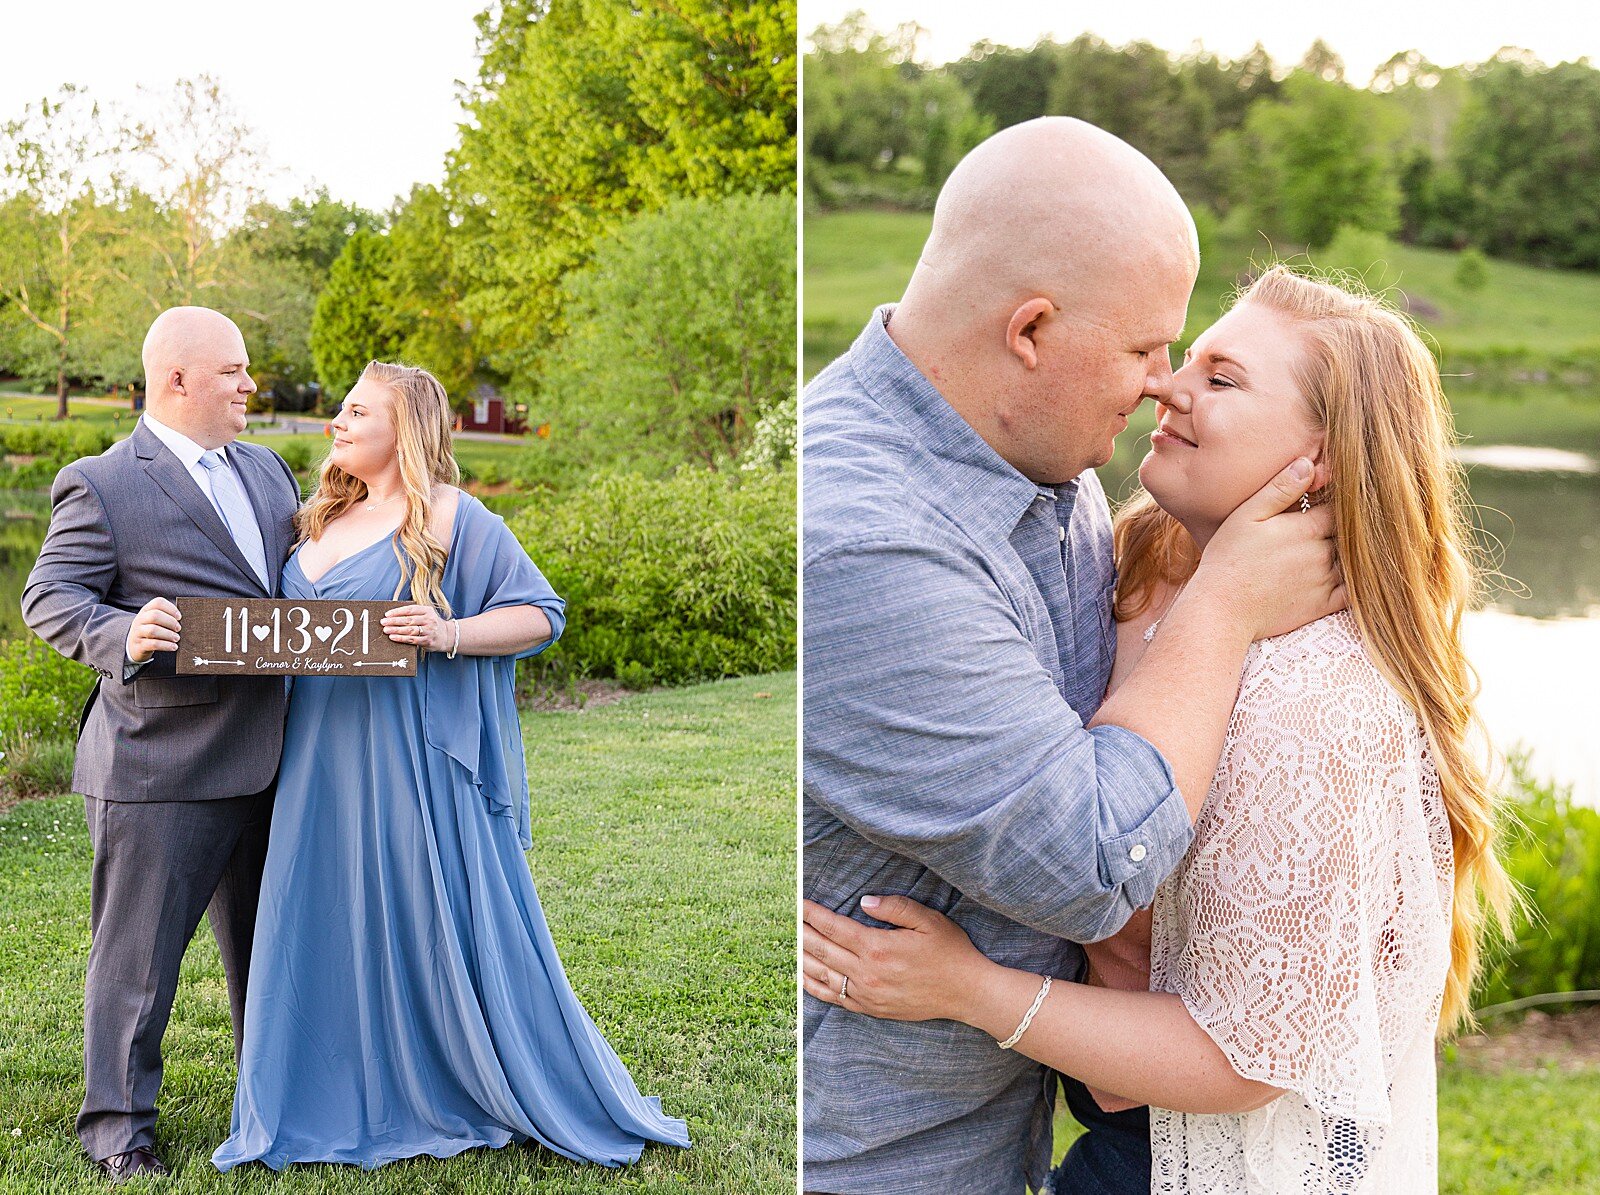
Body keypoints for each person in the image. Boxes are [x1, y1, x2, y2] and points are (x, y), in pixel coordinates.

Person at [802, 266, 1516, 1194]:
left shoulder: (1317, 696)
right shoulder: (1139, 553)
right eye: (1184, 357)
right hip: (1106, 1128)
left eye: (1221, 379)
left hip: (1202, 1168)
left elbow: (1244, 1061)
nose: (1166, 384)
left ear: (1322, 458)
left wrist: (965, 986)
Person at [801, 116, 1343, 1195]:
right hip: (875, 1159)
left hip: (1010, 1137)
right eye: (1147, 346)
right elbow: (1091, 863)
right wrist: (1224, 602)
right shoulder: (858, 540)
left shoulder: (1048, 460)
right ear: (1031, 330)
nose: (1160, 384)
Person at [211, 361, 690, 1171]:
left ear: (407, 429)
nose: (338, 419)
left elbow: (541, 613)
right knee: (319, 912)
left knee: (420, 910)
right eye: (344, 408)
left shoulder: (451, 517)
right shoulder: (314, 515)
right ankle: (322, 1085)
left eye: (359, 411)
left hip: (409, 758)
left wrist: (448, 633)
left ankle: (447, 1073)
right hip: (314, 762)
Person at [22, 307, 300, 1183]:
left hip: (278, 757)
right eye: (236, 370)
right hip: (160, 764)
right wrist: (121, 630)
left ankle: (273, 1107)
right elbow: (50, 597)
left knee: (273, 951)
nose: (252, 384)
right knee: (137, 966)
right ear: (178, 379)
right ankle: (116, 1129)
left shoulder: (268, 469)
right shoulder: (101, 483)